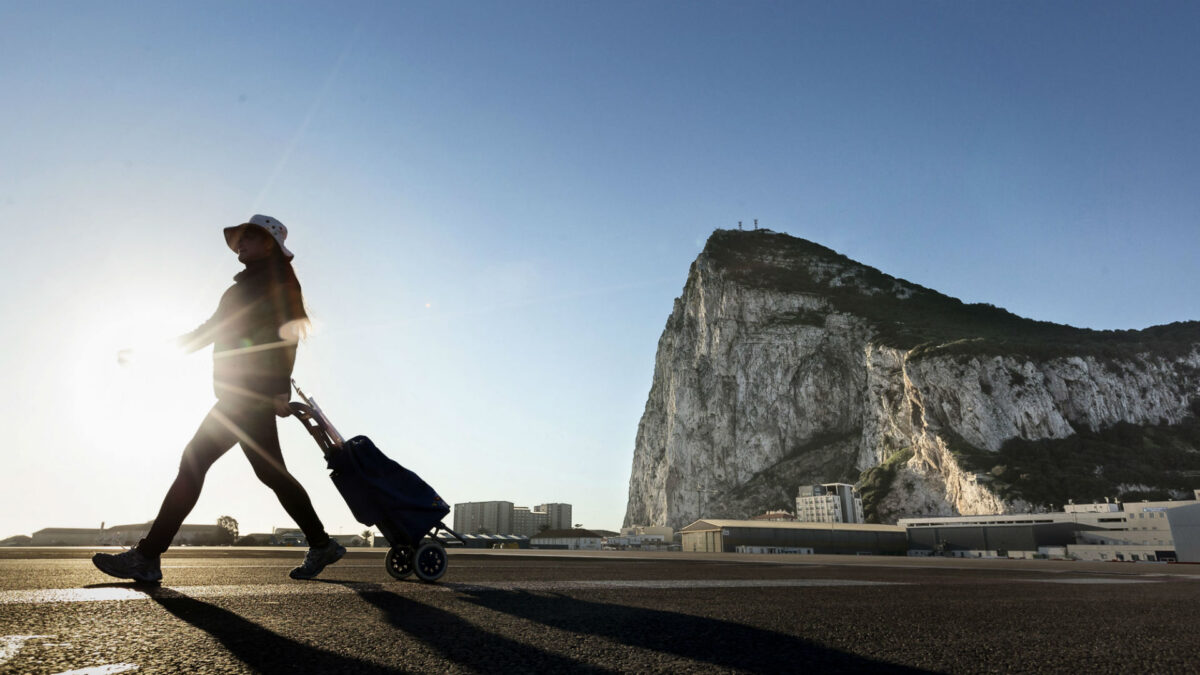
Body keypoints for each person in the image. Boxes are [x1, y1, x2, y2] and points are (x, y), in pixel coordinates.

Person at [93, 215, 344, 583]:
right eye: (239, 238)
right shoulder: (252, 284)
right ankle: (321, 544)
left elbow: (284, 338)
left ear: (268, 244)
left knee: (194, 463)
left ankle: (147, 556)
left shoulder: (265, 285)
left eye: (248, 237)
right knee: (270, 474)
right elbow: (212, 331)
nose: (240, 242)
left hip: (247, 396)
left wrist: (277, 390)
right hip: (242, 394)